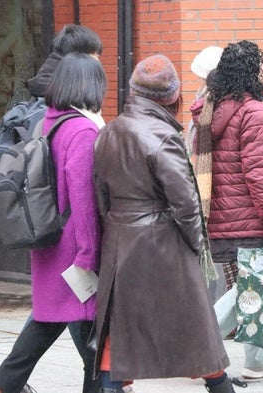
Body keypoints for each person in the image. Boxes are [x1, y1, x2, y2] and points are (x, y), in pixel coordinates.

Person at [93, 54, 235, 393]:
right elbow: (185, 202)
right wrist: (197, 245)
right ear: (171, 96)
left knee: (120, 333)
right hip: (163, 243)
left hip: (119, 239)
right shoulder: (162, 135)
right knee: (196, 330)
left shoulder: (108, 132)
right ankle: (220, 386)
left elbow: (100, 196)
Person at [0, 52, 106, 393]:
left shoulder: (50, 121)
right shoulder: (81, 130)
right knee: (92, 343)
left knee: (50, 329)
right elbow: (83, 201)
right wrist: (89, 255)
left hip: (49, 241)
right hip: (74, 249)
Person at [193, 40, 263, 379]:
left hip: (220, 216)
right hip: (249, 217)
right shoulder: (253, 112)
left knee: (252, 288)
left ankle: (259, 361)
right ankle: (196, 348)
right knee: (248, 290)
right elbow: (258, 170)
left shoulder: (211, 108)